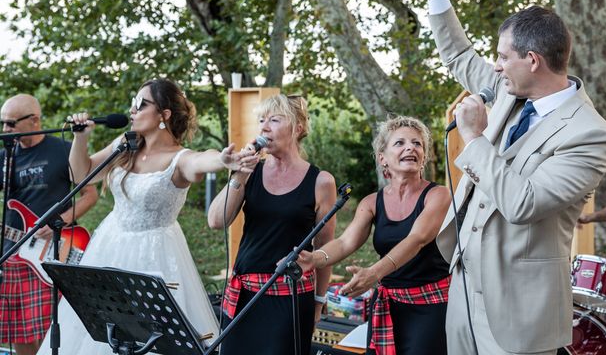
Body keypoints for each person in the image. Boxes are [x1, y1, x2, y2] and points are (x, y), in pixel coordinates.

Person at [422, 0, 606, 354]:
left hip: (519, 311)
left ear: (532, 60)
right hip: (463, 289)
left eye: (504, 56)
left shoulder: (591, 134)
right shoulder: (508, 88)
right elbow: (457, 55)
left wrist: (474, 137)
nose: (495, 66)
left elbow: (524, 203)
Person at [35, 78, 257, 355]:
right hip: (109, 247)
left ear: (164, 114)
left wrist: (223, 160)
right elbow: (80, 174)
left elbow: (203, 159)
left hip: (155, 255)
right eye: (133, 105)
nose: (133, 111)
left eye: (141, 104)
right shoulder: (125, 145)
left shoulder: (179, 158)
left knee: (152, 339)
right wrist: (80, 137)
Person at [297, 115, 451, 355]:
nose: (410, 147)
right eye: (399, 143)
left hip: (431, 307)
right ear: (383, 159)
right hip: (388, 306)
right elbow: (346, 242)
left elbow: (416, 239)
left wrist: (373, 274)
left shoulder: (439, 195)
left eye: (417, 143)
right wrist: (313, 259)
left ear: (423, 157)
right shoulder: (372, 202)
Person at [208, 94, 336, 355]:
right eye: (261, 120)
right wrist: (239, 176)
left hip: (289, 297)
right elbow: (216, 221)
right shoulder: (250, 172)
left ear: (297, 128)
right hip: (244, 294)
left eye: (274, 120)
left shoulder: (321, 181)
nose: (264, 127)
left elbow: (325, 248)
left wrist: (319, 301)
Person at [0, 94, 99, 355]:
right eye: (2, 124)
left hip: (54, 250)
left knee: (50, 329)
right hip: (15, 251)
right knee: (19, 332)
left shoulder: (62, 149)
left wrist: (60, 220)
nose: (5, 130)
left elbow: (90, 195)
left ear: (34, 120)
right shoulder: (5, 156)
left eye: (10, 124)